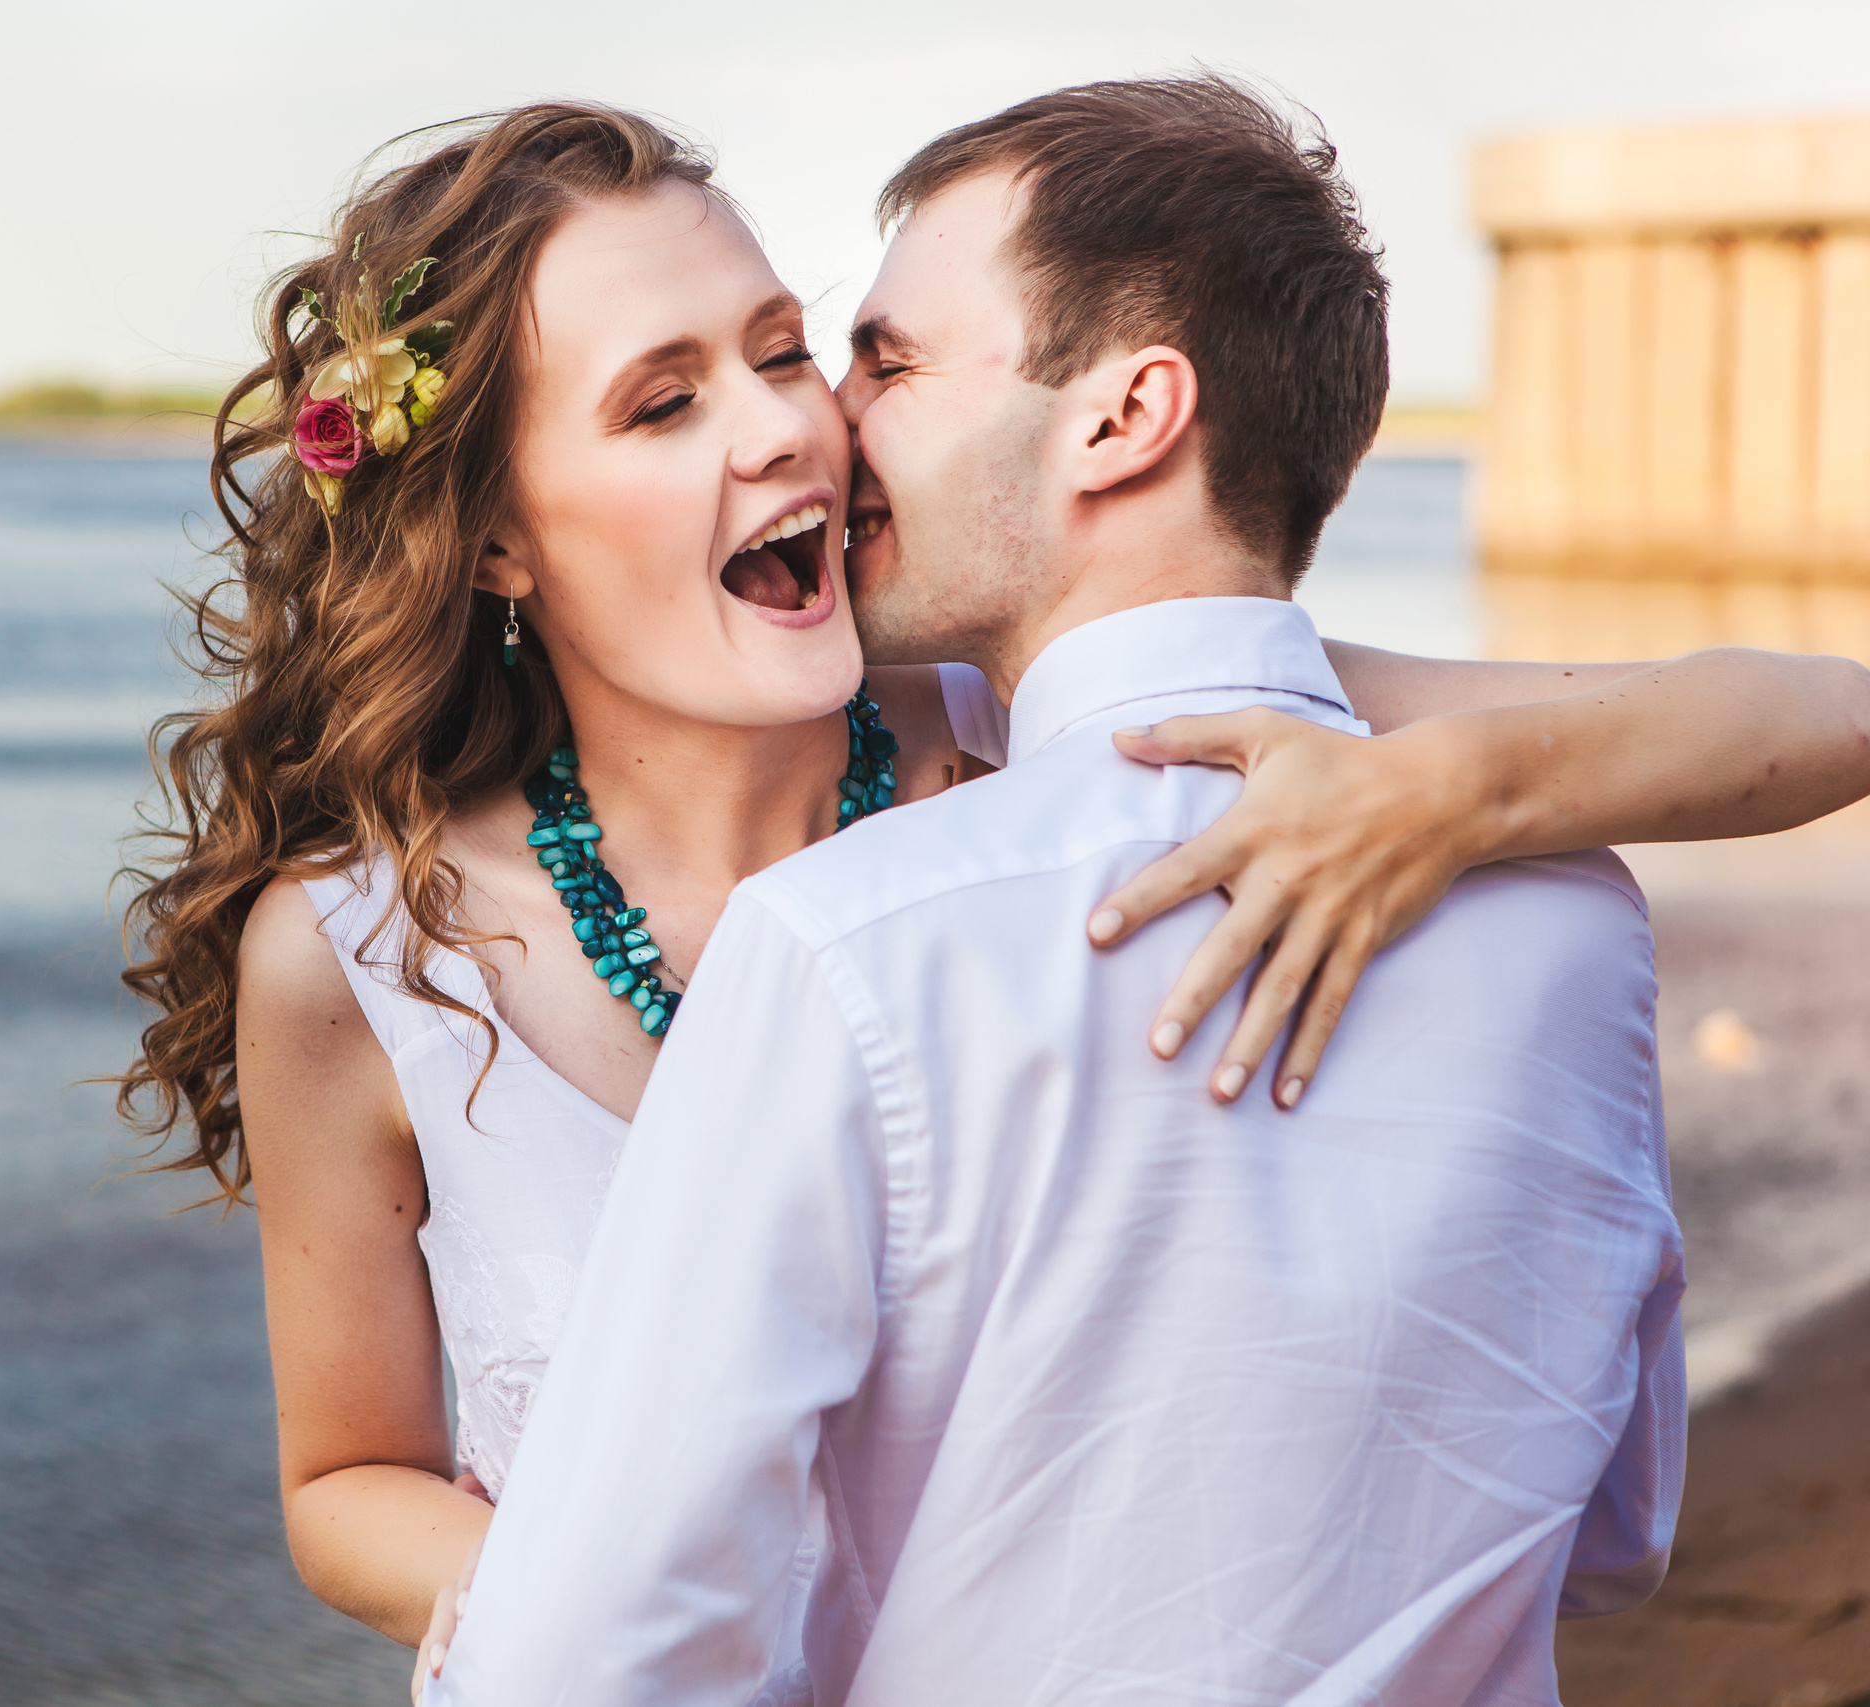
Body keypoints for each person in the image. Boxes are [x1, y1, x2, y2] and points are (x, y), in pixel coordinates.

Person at [112, 100, 1870, 1704]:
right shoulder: (363, 953)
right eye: (665, 402)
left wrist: (1446, 792)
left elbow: (1816, 717)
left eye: (788, 352)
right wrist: (639, 1603)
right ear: (497, 533)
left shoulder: (1057, 733)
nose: (788, 427)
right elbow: (347, 1481)